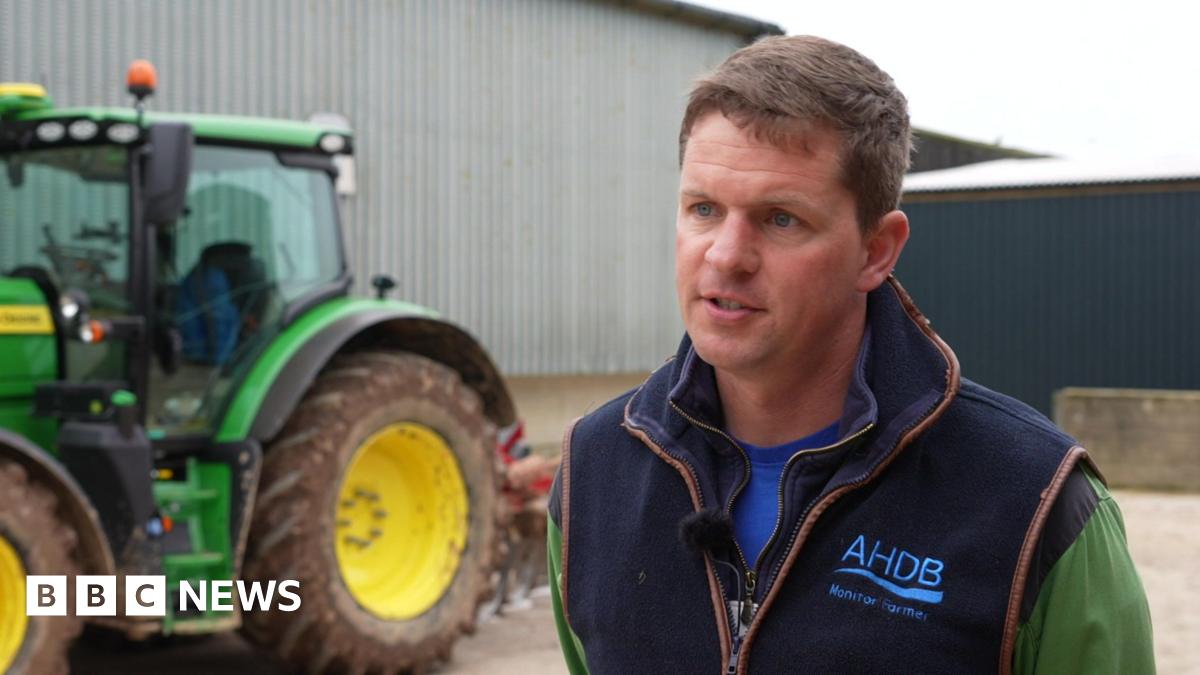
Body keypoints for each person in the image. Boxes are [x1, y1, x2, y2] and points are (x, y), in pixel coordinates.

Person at [547, 35, 1154, 674]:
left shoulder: (1037, 503)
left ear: (876, 251)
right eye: (704, 209)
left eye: (780, 219)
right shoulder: (592, 474)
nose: (725, 255)